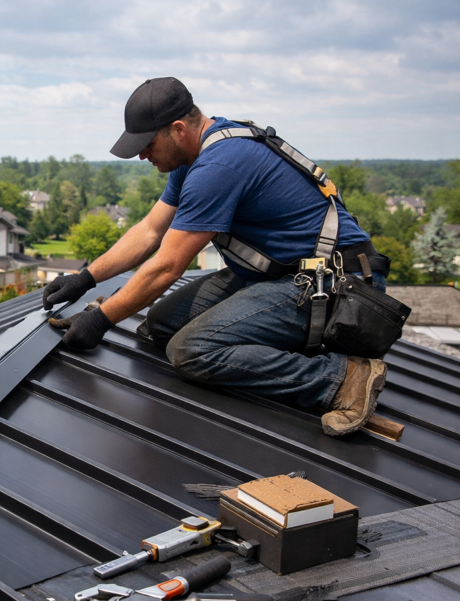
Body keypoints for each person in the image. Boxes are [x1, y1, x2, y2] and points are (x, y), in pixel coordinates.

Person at [44, 77, 390, 439]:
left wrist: (101, 319)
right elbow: (149, 231)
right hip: (278, 273)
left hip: (333, 283)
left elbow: (167, 266)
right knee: (161, 324)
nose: (143, 155)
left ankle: (343, 378)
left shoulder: (219, 166)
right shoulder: (193, 157)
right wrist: (86, 278)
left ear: (177, 129)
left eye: (147, 144)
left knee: (190, 350)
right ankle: (267, 337)